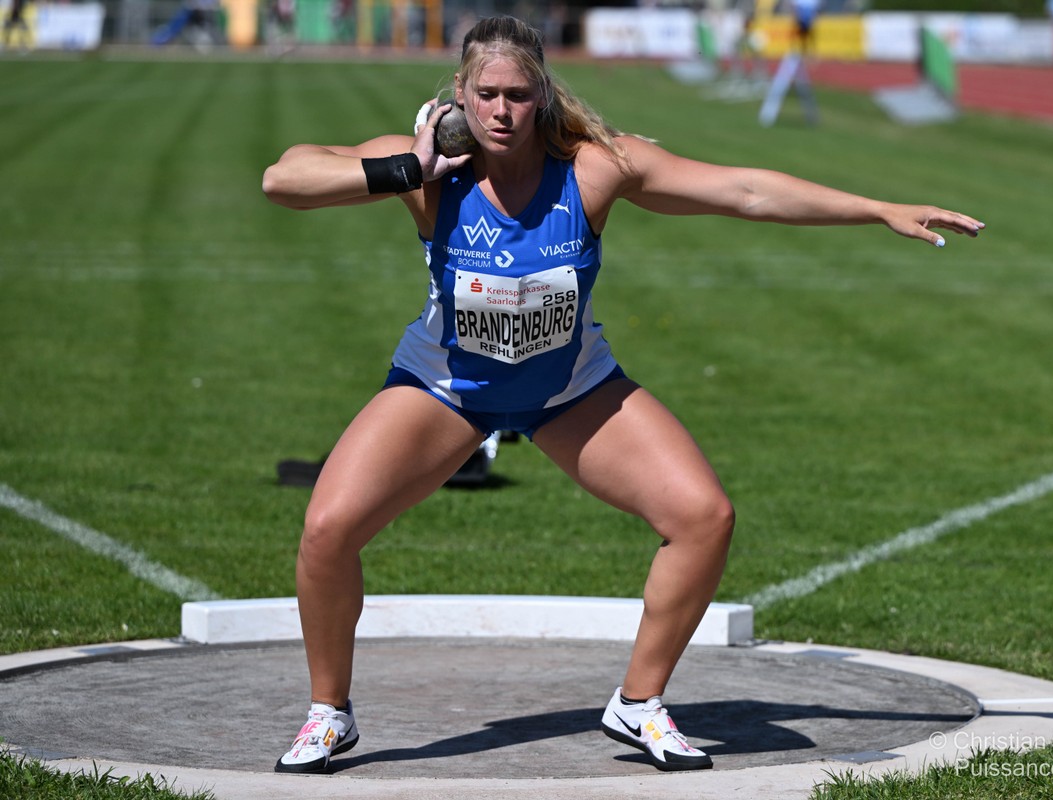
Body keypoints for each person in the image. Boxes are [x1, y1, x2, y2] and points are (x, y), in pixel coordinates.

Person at [261, 15, 983, 776]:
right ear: (460, 96)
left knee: (703, 517)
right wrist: (409, 168)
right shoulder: (429, 171)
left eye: (518, 94)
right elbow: (284, 178)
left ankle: (639, 703)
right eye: (486, 94)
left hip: (570, 388)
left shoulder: (595, 168)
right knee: (328, 529)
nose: (502, 111)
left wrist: (879, 209)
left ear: (542, 95)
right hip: (445, 388)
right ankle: (329, 713)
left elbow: (743, 190)